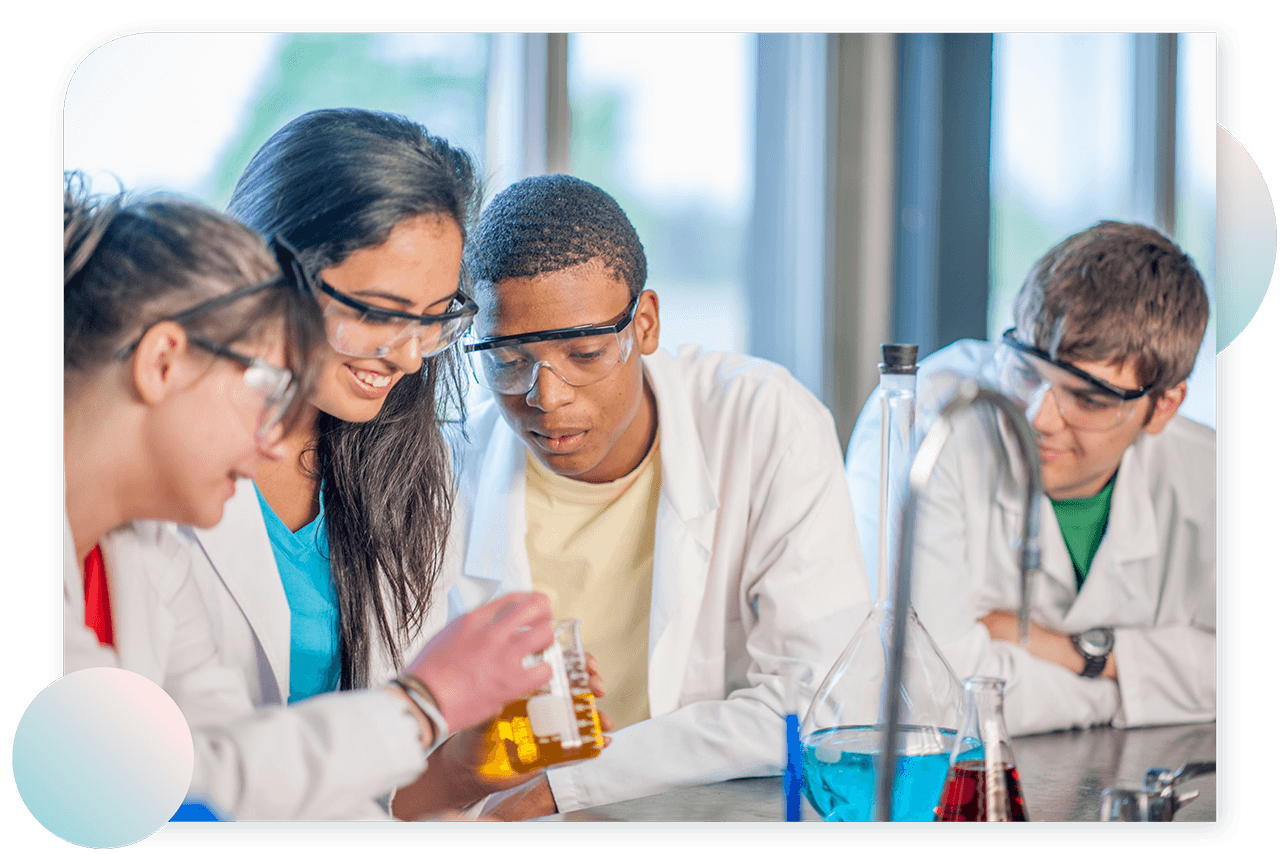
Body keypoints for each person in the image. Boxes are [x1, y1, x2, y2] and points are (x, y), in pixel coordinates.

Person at [61, 173, 556, 821]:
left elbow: (240, 772)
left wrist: (462, 768)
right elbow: (127, 789)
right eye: (267, 385)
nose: (276, 441)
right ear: (163, 363)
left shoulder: (144, 552)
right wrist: (423, 702)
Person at [441, 173, 870, 818]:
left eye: (583, 353)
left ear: (645, 324)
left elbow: (820, 703)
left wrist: (565, 786)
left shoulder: (762, 420)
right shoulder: (446, 465)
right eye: (509, 359)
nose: (545, 397)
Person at [843, 221, 1214, 737]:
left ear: (1163, 406)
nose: (1040, 417)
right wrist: (1125, 689)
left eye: (1088, 398)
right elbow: (927, 698)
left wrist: (1073, 653)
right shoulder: (925, 422)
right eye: (1028, 373)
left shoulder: (1208, 476)